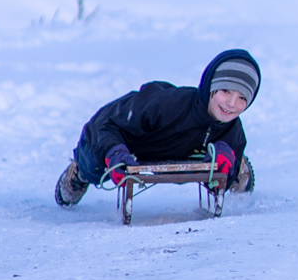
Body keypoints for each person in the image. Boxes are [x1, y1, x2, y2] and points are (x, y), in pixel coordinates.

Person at [54, 49, 261, 207]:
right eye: (226, 91)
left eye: (242, 98)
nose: (232, 104)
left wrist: (224, 168)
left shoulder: (232, 128)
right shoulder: (166, 105)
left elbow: (225, 163)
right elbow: (106, 126)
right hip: (128, 142)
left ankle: (237, 163)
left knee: (227, 162)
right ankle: (80, 172)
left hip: (187, 153)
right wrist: (114, 153)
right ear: (211, 88)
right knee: (96, 163)